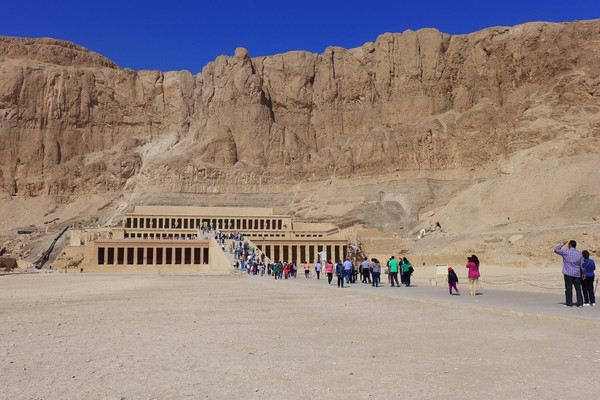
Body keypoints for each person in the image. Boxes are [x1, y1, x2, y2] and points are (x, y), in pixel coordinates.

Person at [555, 241, 585, 307]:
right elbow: (582, 265)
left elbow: (556, 250)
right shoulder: (579, 254)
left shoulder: (566, 252)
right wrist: (583, 273)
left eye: (568, 245)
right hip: (577, 274)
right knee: (578, 289)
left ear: (570, 245)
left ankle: (569, 303)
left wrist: (562, 244)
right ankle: (580, 303)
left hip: (568, 273)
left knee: (568, 289)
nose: (568, 245)